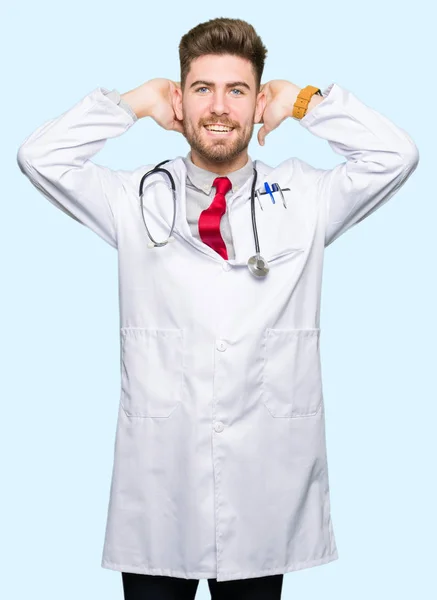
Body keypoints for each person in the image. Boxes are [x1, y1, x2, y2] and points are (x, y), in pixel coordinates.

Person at [17, 16, 419, 600]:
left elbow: (396, 155)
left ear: (259, 102)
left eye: (238, 90)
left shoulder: (307, 196)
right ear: (179, 100)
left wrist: (307, 102)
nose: (219, 108)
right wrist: (132, 103)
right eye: (202, 89)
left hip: (264, 485)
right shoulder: (133, 198)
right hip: (161, 487)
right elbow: (39, 157)